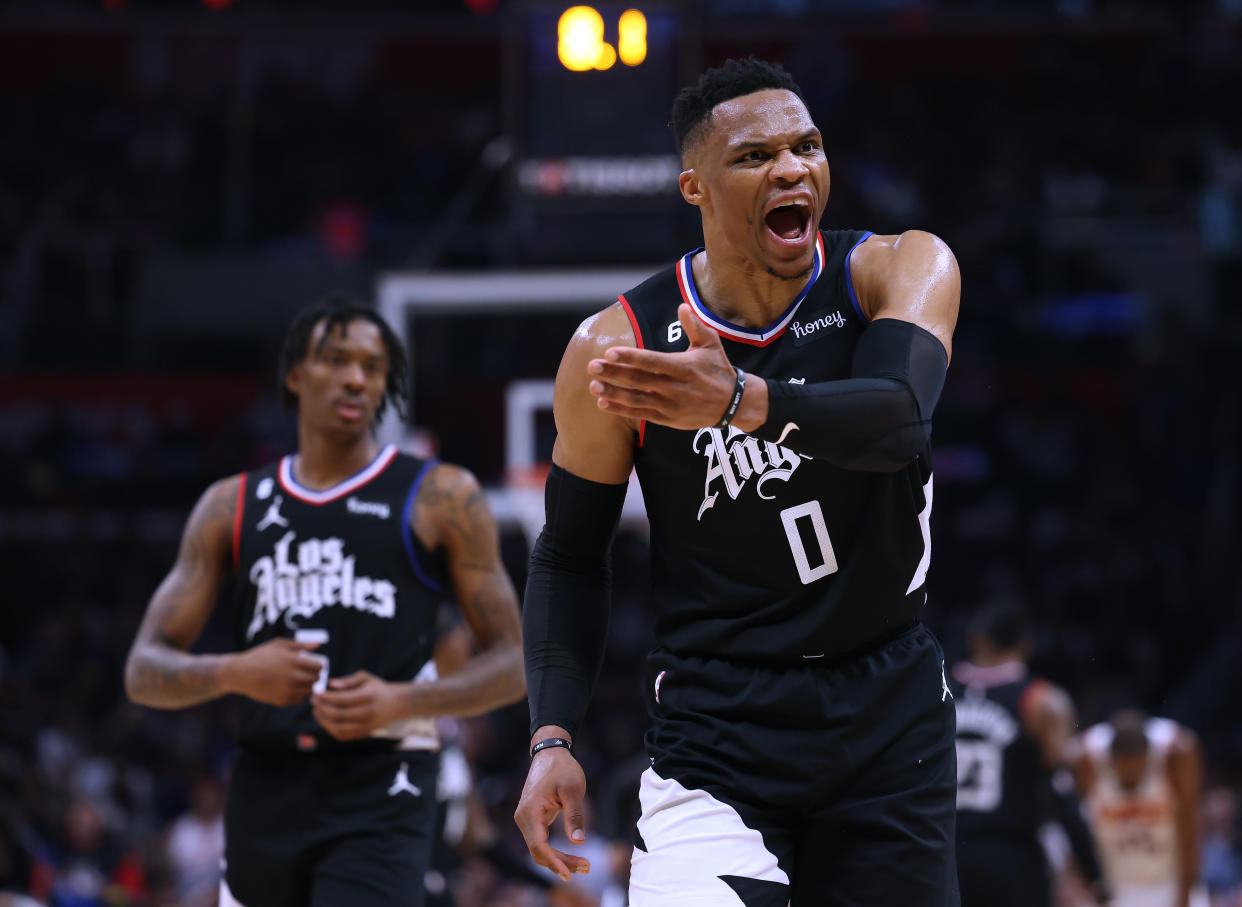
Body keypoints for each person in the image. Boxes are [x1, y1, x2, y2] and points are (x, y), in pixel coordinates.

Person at [514, 57, 961, 904]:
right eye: (757, 157)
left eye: (808, 146)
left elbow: (900, 419)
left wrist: (743, 400)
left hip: (888, 711)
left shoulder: (894, 272)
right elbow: (570, 553)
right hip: (720, 723)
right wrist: (550, 736)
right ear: (696, 188)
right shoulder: (620, 346)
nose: (793, 168)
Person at [124, 297, 526, 907]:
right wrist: (236, 672)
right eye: (336, 359)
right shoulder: (230, 506)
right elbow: (144, 670)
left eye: (372, 364)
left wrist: (405, 700)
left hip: (384, 780)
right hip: (266, 781)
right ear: (294, 375)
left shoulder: (441, 496)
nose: (356, 377)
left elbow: (516, 663)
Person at [950, 602, 1109, 906]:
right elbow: (1063, 794)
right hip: (1012, 856)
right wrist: (1096, 875)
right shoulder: (1042, 702)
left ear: (976, 640)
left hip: (945, 852)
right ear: (1026, 645)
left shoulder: (935, 689)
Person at [1071, 710, 1208, 907]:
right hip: (1112, 886)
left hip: (1167, 881)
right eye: (1125, 779)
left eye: (1136, 776)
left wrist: (1185, 892)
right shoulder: (1086, 758)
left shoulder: (1176, 753)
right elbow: (1075, 829)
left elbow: (1190, 827)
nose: (1131, 785)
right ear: (1110, 759)